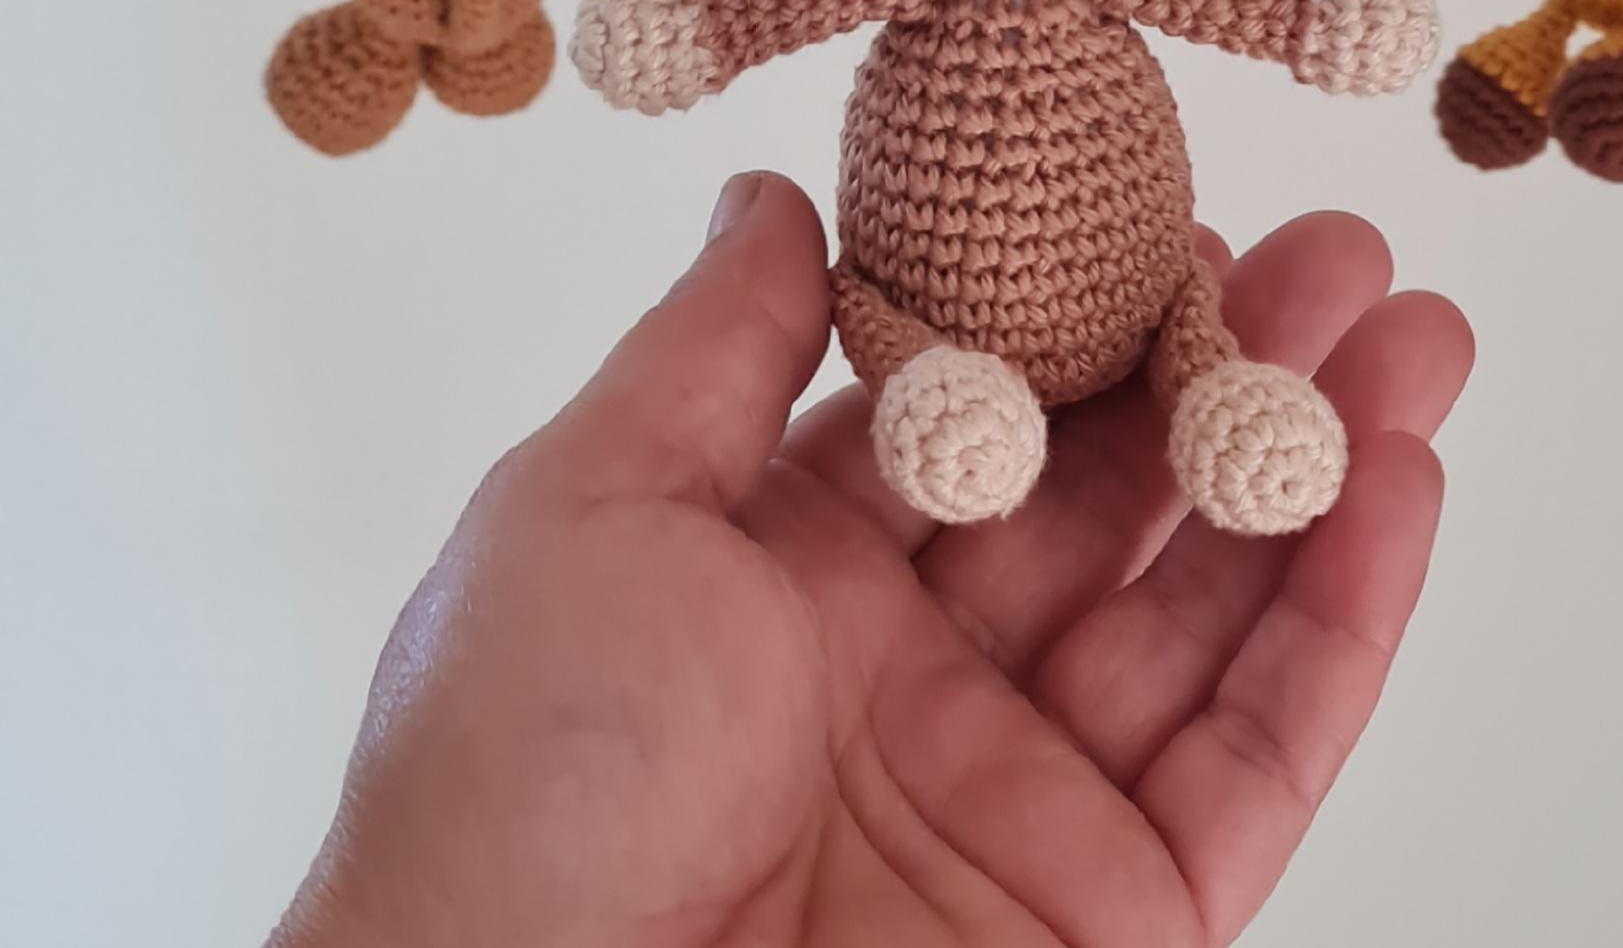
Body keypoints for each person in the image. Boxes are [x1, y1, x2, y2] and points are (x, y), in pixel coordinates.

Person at [268, 174, 1474, 948]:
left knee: (1189, 307)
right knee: (897, 335)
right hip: (924, 330)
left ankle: (1202, 379)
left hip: (1140, 295)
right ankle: (954, 390)